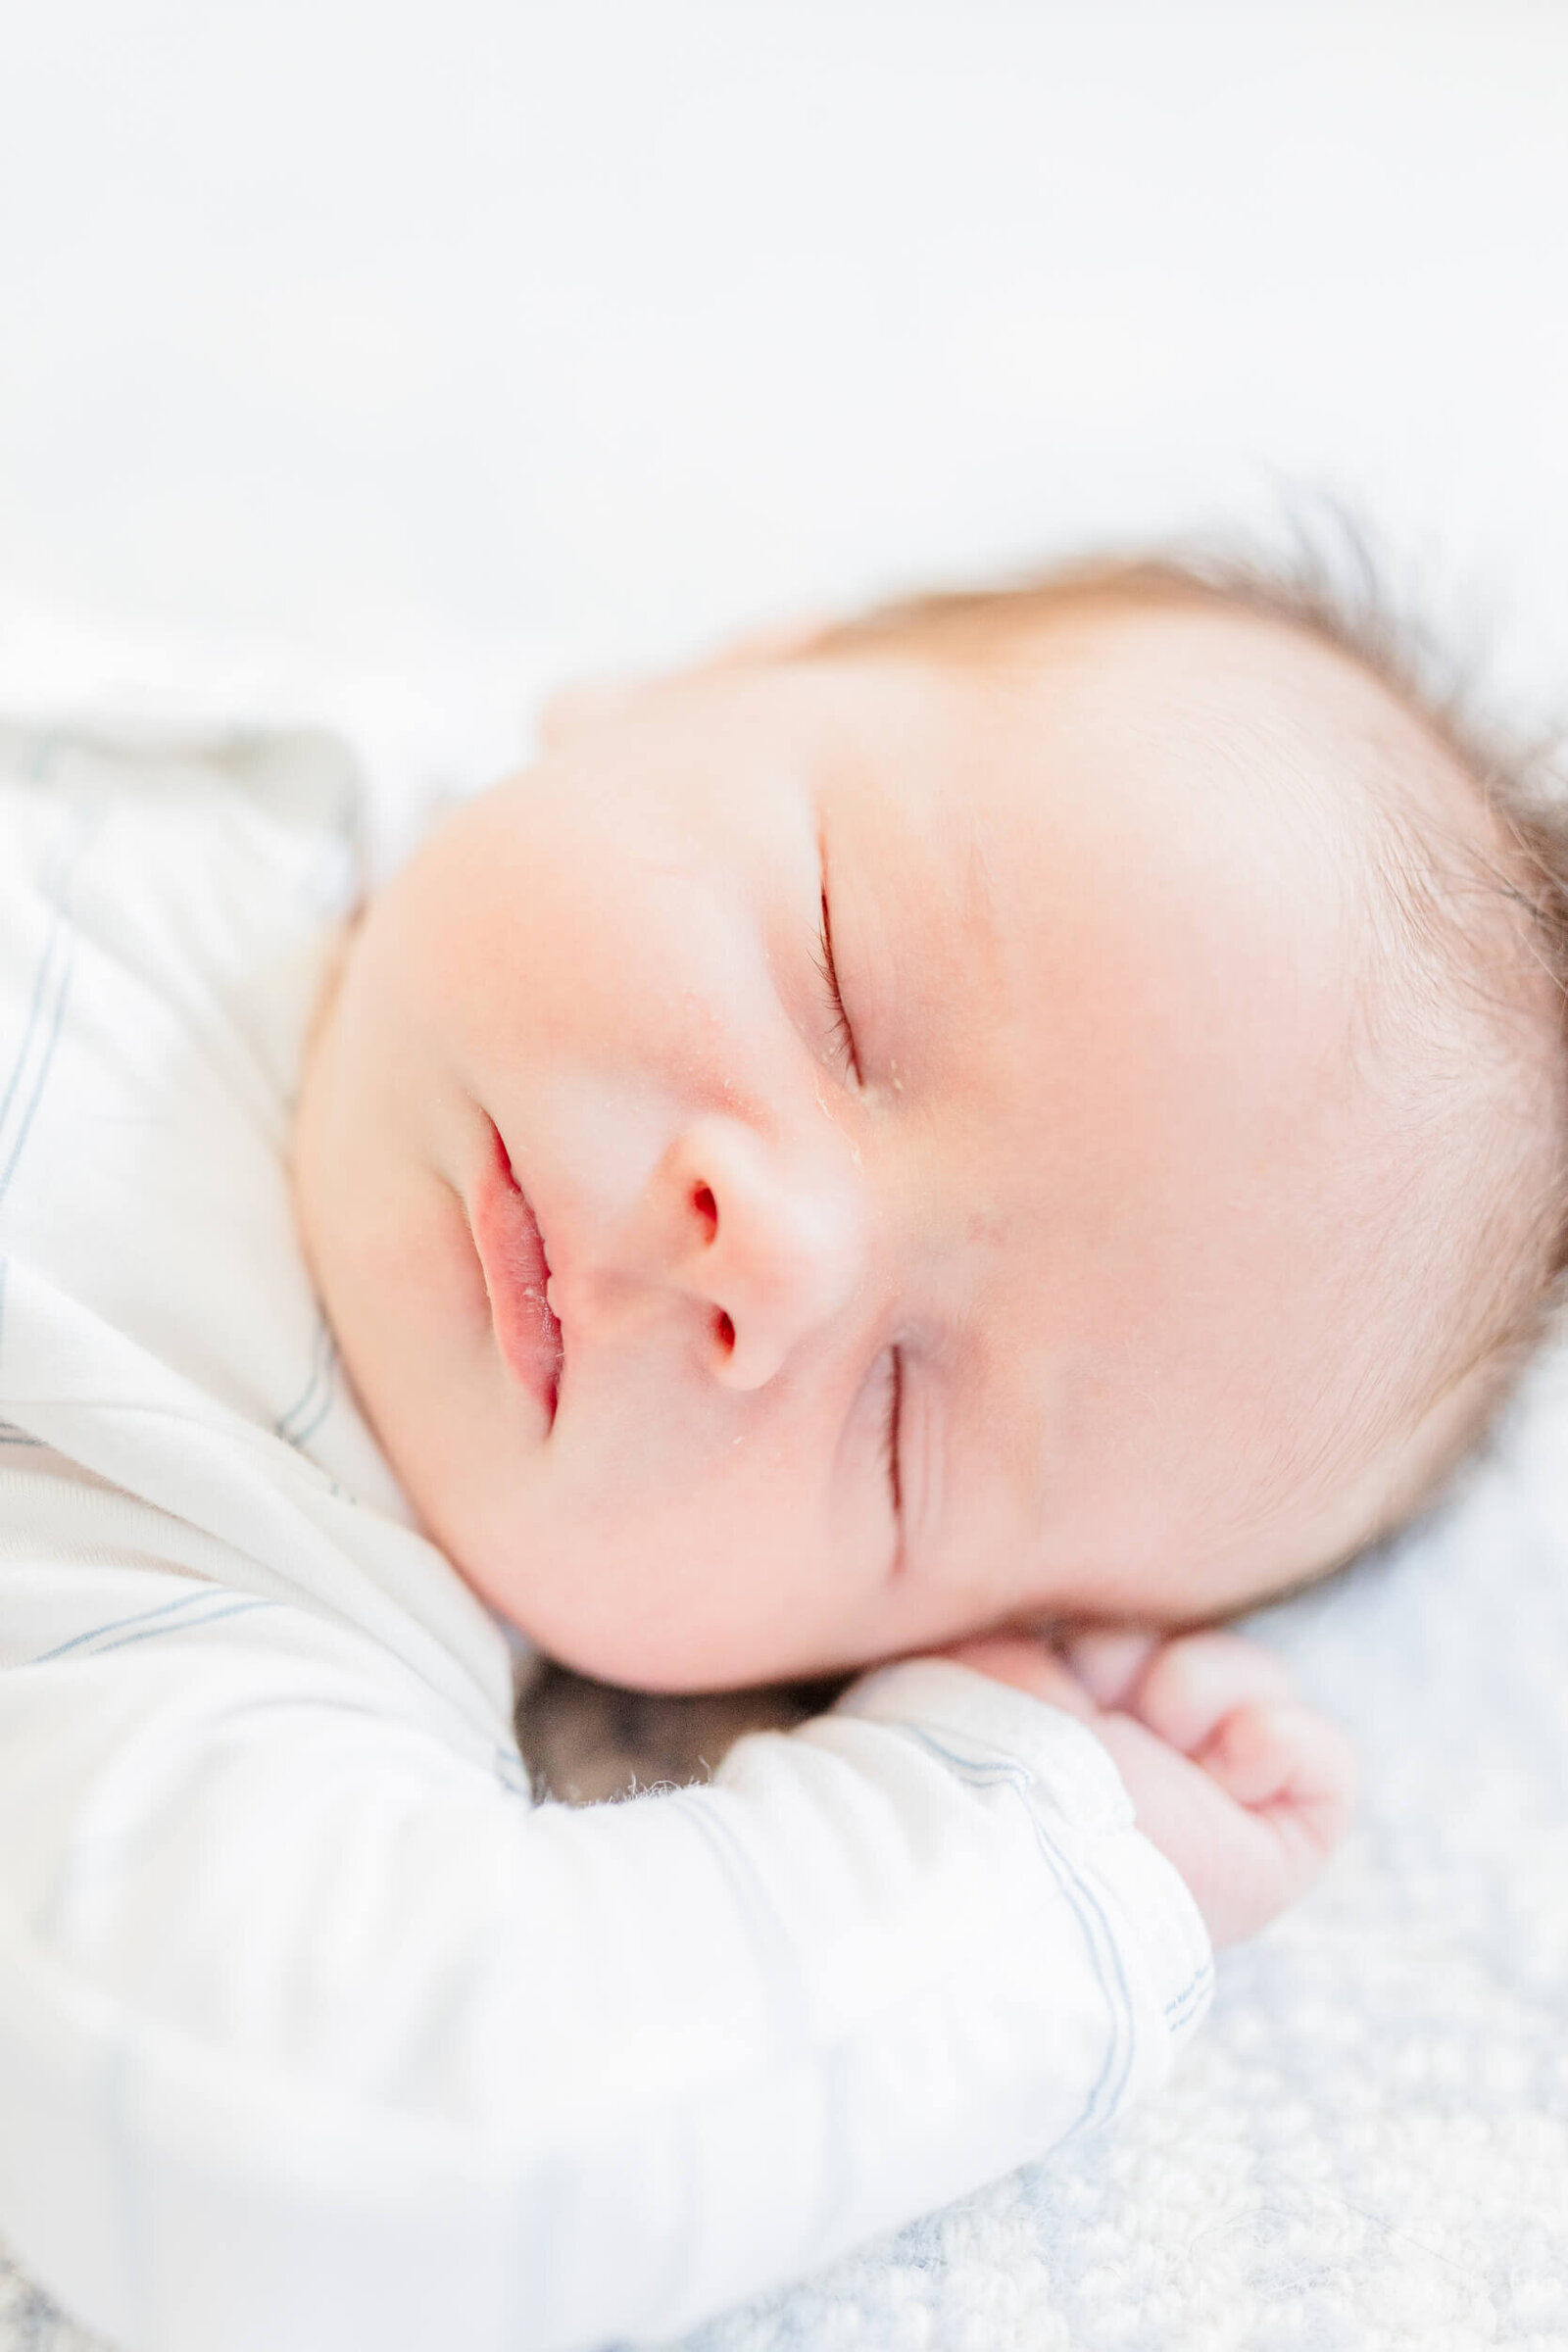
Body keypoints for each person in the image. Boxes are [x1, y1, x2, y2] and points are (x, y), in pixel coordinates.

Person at [0, 557, 1560, 2352]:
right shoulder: (299, 753)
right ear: (687, 681)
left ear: (840, 1663)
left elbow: (342, 2144)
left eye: (905, 1422)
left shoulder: (196, 1553)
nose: (781, 1253)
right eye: (840, 977)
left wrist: (1016, 1862)